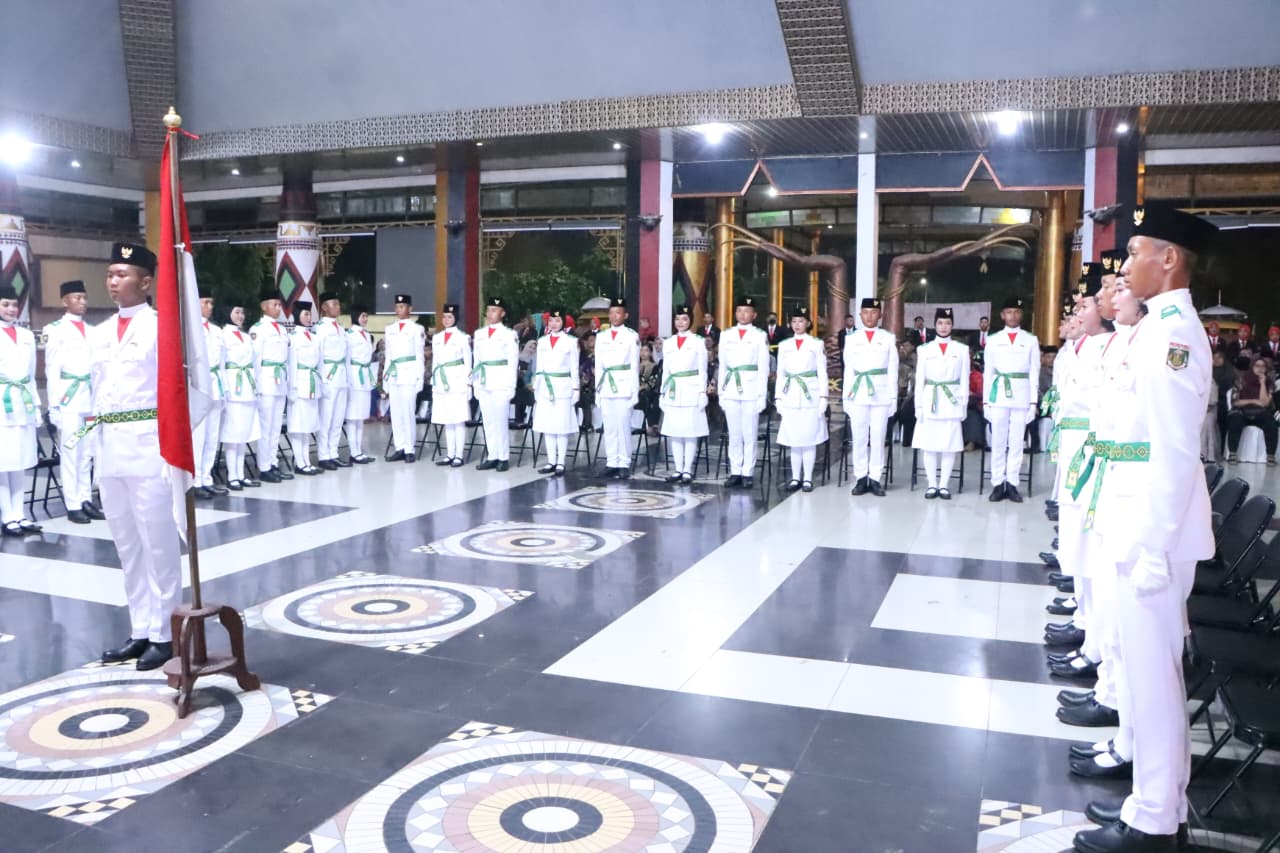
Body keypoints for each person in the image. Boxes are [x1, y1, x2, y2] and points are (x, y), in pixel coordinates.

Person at [1071, 204, 1219, 853]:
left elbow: (1175, 451)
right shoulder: (1157, 327)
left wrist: (1154, 544)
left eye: (1135, 251)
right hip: (1132, 516)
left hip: (1151, 531)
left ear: (1170, 258)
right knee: (1141, 669)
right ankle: (1152, 800)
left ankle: (1155, 818)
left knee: (1155, 677)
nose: (1125, 264)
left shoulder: (1174, 335)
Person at [90, 242, 178, 671]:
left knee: (158, 544)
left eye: (122, 275)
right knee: (127, 546)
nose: (113, 282)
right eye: (110, 274)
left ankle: (165, 633)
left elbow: (177, 391)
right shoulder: (101, 332)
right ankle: (140, 627)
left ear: (145, 283)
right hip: (109, 448)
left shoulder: (160, 328)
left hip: (148, 447)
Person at [43, 280, 103, 521]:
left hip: (89, 398)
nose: (83, 302)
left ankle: (86, 498)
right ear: (65, 301)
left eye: (84, 297)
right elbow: (51, 370)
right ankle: (72, 503)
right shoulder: (55, 329)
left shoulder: (93, 331)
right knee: (71, 450)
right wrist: (54, 406)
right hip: (68, 399)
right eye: (77, 297)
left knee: (87, 450)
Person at [983, 297, 1040, 502]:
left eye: (1016, 312)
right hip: (998, 394)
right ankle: (998, 482)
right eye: (1009, 312)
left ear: (1021, 315)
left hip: (1022, 395)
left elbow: (1034, 372)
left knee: (1017, 441)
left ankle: (1013, 482)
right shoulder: (993, 339)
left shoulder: (1030, 340)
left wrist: (1033, 403)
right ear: (1002, 315)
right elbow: (988, 372)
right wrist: (985, 402)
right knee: (998, 440)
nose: (1013, 316)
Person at [843, 297, 898, 496]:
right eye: (865, 312)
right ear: (860, 315)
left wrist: (893, 398)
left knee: (878, 437)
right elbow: (848, 369)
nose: (869, 316)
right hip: (857, 394)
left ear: (880, 314)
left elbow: (893, 370)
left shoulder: (888, 338)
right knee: (859, 437)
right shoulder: (851, 338)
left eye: (874, 312)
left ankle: (875, 478)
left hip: (881, 394)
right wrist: (846, 398)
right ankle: (860, 477)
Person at [912, 307, 969, 499]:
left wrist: (964, 404)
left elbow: (964, 379)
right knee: (929, 445)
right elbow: (919, 380)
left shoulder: (961, 350)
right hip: (931, 400)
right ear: (934, 325)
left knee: (949, 445)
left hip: (952, 401)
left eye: (948, 323)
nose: (944, 327)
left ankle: (943, 485)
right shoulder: (924, 349)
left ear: (952, 325)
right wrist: (918, 406)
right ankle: (931, 484)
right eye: (940, 323)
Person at [717, 296, 770, 489]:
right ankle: (735, 471)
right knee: (734, 434)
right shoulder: (726, 334)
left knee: (749, 433)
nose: (742, 314)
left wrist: (762, 395)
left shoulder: (759, 335)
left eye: (747, 311)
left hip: (751, 389)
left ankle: (748, 472)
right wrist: (721, 393)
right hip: (731, 388)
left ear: (754, 315)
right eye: (739, 310)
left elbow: (763, 367)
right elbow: (723, 366)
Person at [0, 284, 40, 536]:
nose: (11, 309)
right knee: (3, 462)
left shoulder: (26, 336)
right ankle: (7, 515)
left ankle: (20, 513)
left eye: (14, 304)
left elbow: (31, 375)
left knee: (20, 460)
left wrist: (36, 406)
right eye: (5, 304)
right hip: (2, 404)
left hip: (23, 403)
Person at [776, 307, 828, 492]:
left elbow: (822, 372)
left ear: (808, 323)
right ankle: (795, 477)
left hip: (810, 396)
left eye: (801, 321)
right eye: (794, 321)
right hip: (790, 395)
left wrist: (823, 397)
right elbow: (781, 374)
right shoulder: (784, 345)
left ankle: (807, 478)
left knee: (808, 438)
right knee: (794, 439)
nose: (797, 325)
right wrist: (778, 397)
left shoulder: (816, 344)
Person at [659, 305, 709, 484]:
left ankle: (687, 469)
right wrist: (662, 392)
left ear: (690, 321)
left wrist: (702, 392)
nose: (680, 322)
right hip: (673, 390)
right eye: (677, 319)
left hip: (691, 390)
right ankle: (677, 469)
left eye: (684, 319)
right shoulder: (669, 342)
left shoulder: (698, 341)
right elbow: (666, 370)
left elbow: (702, 369)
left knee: (690, 432)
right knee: (675, 432)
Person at [594, 297, 640, 478]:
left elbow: (634, 366)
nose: (614, 316)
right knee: (610, 427)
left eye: (618, 313)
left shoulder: (631, 336)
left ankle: (624, 462)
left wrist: (634, 391)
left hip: (623, 385)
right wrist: (597, 391)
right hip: (606, 385)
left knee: (623, 426)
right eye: (612, 313)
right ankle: (612, 461)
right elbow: (599, 366)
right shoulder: (601, 336)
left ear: (625, 315)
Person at [473, 296, 519, 471]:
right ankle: (492, 455)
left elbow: (512, 361)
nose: (491, 313)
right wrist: (475, 383)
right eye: (489, 310)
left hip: (501, 382)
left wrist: (511, 386)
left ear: (502, 313)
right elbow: (476, 360)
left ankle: (503, 457)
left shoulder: (509, 334)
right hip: (484, 381)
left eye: (495, 310)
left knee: (500, 421)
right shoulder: (479, 334)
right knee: (488, 421)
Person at [532, 309, 579, 475]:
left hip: (563, 386)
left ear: (563, 322)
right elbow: (539, 366)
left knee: (561, 426)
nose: (554, 324)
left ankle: (561, 462)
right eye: (551, 320)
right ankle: (551, 461)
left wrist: (576, 388)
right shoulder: (542, 341)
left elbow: (574, 367)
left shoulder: (571, 342)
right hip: (545, 386)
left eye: (557, 320)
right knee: (548, 426)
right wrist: (536, 386)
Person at [251, 287, 290, 482]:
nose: (278, 308)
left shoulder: (282, 329)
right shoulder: (258, 329)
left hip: (280, 381)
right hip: (266, 382)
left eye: (279, 305)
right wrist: (256, 386)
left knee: (275, 427)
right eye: (274, 304)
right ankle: (264, 466)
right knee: (265, 427)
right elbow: (256, 359)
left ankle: (273, 462)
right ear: (264, 307)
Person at [220, 301, 260, 490]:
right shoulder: (223, 335)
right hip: (233, 387)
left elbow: (254, 362)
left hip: (248, 387)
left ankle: (241, 474)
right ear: (228, 313)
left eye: (242, 312)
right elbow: (221, 364)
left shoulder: (246, 336)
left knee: (244, 432)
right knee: (232, 433)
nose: (240, 316)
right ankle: (232, 475)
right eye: (237, 312)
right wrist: (225, 389)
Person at [192, 287, 227, 499]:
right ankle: (196, 480)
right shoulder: (190, 329)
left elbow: (222, 362)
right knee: (199, 437)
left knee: (212, 436)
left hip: (216, 385)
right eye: (205, 302)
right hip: (200, 386)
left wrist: (225, 390)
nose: (209, 307)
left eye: (211, 303)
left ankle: (207, 477)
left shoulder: (217, 331)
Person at [383, 294, 426, 463]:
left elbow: (419, 355)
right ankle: (399, 446)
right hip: (394, 375)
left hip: (409, 374)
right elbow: (388, 356)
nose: (399, 309)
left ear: (410, 309)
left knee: (408, 412)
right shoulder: (389, 329)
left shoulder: (417, 329)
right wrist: (385, 378)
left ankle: (409, 448)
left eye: (402, 306)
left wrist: (419, 378)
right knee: (396, 413)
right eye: (397, 306)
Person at [430, 303, 471, 467]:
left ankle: (459, 455)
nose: (446, 320)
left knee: (458, 419)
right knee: (447, 419)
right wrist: (433, 381)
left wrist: (468, 384)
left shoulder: (463, 337)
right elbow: (435, 362)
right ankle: (450, 453)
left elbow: (468, 362)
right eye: (444, 316)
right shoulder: (437, 338)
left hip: (457, 380)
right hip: (441, 380)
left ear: (456, 318)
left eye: (450, 317)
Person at [314, 291, 349, 470]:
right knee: (326, 419)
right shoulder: (320, 328)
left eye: (338, 304)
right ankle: (323, 455)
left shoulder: (341, 329)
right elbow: (318, 356)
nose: (337, 307)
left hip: (341, 376)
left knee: (337, 418)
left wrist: (348, 378)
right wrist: (321, 381)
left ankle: (333, 452)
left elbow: (346, 356)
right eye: (333, 304)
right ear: (324, 307)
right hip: (328, 375)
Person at [286, 302, 322, 475]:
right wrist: (292, 388)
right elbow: (291, 364)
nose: (309, 317)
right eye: (305, 314)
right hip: (299, 385)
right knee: (297, 426)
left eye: (310, 314)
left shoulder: (314, 337)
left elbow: (318, 363)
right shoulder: (293, 337)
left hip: (312, 383)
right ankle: (299, 462)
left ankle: (306, 460)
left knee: (307, 426)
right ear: (297, 315)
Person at [1225, 357, 1277, 463]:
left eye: (1263, 366)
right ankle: (1232, 453)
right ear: (1252, 367)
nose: (1260, 369)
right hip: (1242, 411)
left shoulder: (1270, 383)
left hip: (1260, 412)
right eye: (1257, 366)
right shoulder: (1241, 380)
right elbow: (1235, 402)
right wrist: (1254, 401)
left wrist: (1263, 383)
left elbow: (1265, 403)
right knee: (1236, 420)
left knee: (1271, 423)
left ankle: (1270, 455)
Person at [344, 306, 376, 464]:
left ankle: (359, 451)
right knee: (352, 417)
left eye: (366, 316)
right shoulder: (348, 335)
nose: (365, 319)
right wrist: (348, 379)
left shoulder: (367, 334)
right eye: (363, 316)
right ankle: (353, 451)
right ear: (356, 316)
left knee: (361, 416)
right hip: (354, 375)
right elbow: (346, 358)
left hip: (365, 375)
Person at [638, 342, 661, 435]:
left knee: (646, 396)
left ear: (651, 353)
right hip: (634, 390)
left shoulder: (654, 366)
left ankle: (651, 425)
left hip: (647, 391)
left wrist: (641, 388)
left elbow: (652, 382)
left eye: (646, 350)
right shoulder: (635, 365)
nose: (643, 353)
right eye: (641, 350)